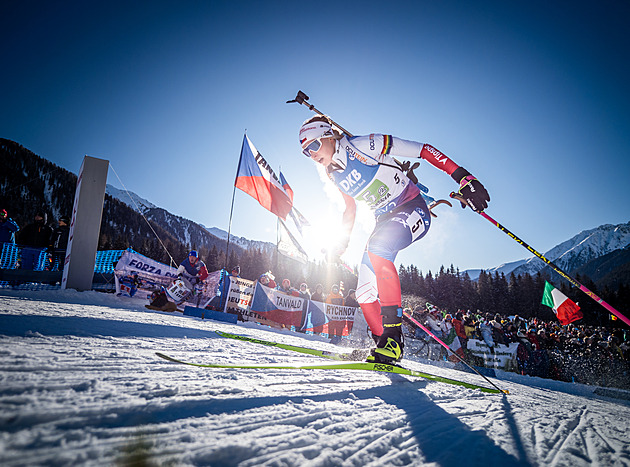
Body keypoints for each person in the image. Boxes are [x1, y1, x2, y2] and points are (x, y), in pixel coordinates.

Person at [299, 116, 490, 363]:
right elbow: (349, 209)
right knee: (365, 293)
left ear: (327, 135)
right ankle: (384, 344)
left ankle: (392, 337)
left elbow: (423, 149)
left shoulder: (365, 145)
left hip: (411, 207)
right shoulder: (332, 173)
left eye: (313, 146)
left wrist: (464, 177)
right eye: (305, 152)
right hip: (384, 221)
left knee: (378, 249)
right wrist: (342, 242)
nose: (312, 155)